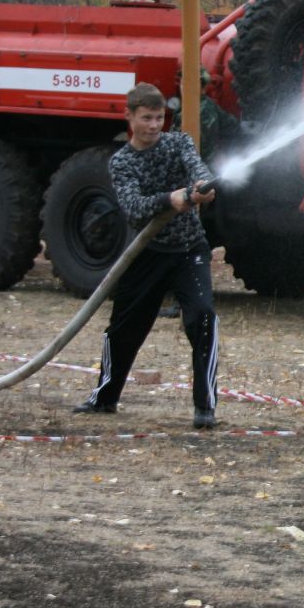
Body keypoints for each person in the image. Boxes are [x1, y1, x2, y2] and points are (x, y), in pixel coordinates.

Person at [74, 83, 221, 429]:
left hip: (189, 250)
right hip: (146, 253)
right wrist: (170, 199)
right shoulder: (122, 162)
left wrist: (203, 186)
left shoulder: (178, 142)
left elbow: (196, 166)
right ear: (129, 117)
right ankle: (105, 399)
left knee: (202, 316)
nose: (154, 125)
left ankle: (206, 408)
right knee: (123, 329)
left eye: (158, 118)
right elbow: (135, 209)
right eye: (146, 118)